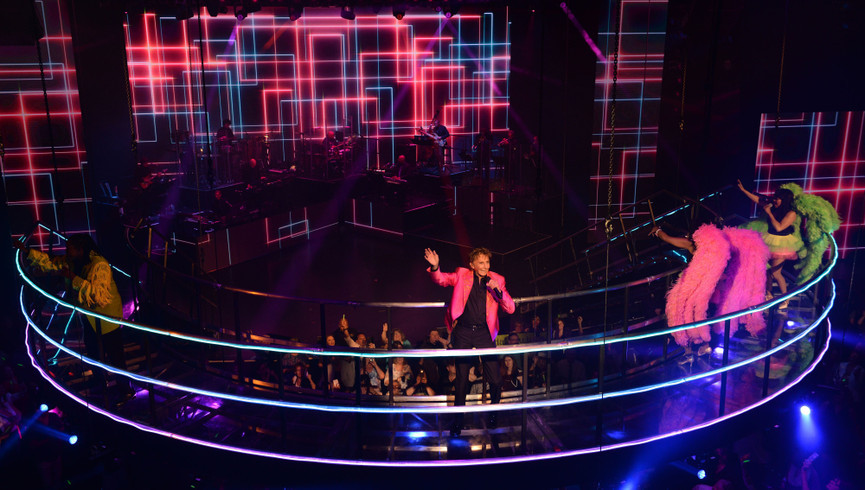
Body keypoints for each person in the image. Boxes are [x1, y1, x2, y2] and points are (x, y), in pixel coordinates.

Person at [13, 235, 132, 400]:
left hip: (107, 317)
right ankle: (100, 383)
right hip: (90, 317)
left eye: (70, 248)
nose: (66, 251)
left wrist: (72, 278)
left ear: (81, 250)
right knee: (93, 353)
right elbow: (51, 262)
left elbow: (97, 295)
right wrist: (27, 251)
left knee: (115, 357)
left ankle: (126, 391)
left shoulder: (99, 265)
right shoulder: (73, 261)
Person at [424, 246, 515, 436]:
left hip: (484, 332)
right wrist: (435, 267)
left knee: (496, 379)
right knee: (462, 380)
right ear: (472, 264)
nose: (485, 266)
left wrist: (497, 290)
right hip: (463, 331)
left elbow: (510, 308)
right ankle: (458, 421)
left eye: (487, 262)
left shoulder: (497, 279)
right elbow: (441, 279)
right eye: (481, 263)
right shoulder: (462, 275)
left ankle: (493, 415)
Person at [737, 179, 802, 309]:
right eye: (775, 198)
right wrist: (743, 190)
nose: (774, 200)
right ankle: (768, 294)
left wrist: (769, 213)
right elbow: (758, 200)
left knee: (776, 273)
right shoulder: (773, 207)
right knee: (766, 270)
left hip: (782, 243)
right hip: (769, 240)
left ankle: (785, 299)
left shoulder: (791, 213)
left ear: (785, 200)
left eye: (777, 199)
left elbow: (779, 227)